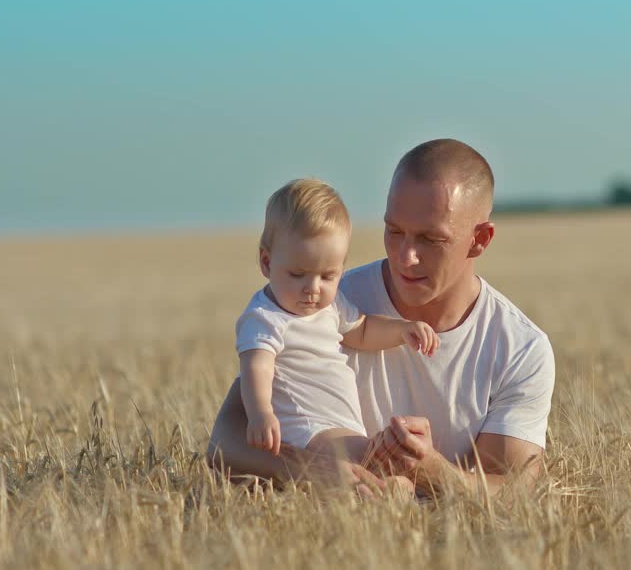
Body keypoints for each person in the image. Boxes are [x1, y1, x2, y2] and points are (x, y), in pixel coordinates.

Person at [208, 139, 555, 499]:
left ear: (479, 240)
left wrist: (431, 470)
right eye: (394, 231)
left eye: (430, 239)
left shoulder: (521, 348)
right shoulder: (327, 300)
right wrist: (312, 469)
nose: (405, 257)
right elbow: (226, 441)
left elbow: (515, 491)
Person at [234, 178, 438, 497]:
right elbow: (256, 366)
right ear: (266, 262)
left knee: (375, 474)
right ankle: (383, 495)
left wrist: (402, 329)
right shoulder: (265, 318)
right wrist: (261, 413)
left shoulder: (331, 306)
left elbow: (363, 330)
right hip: (307, 430)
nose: (313, 288)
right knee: (364, 465)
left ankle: (386, 494)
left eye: (328, 276)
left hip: (341, 425)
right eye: (298, 274)